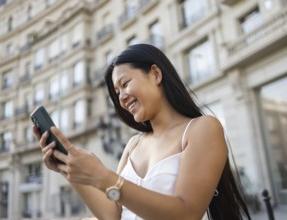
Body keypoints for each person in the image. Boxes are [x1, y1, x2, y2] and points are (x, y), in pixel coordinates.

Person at [33, 44, 251, 220]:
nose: (121, 97)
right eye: (117, 92)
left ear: (155, 74)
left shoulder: (202, 128)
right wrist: (69, 169)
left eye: (125, 84)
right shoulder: (134, 145)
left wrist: (103, 176)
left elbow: (187, 212)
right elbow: (113, 215)